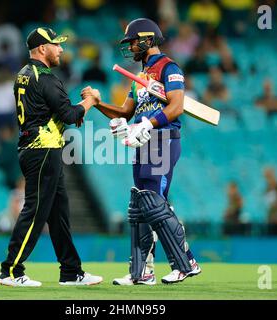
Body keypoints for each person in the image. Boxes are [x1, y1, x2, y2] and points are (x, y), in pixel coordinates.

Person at [82, 18, 201, 285]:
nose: (131, 46)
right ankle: (142, 272)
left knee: (154, 203)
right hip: (143, 141)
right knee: (142, 206)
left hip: (163, 140)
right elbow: (126, 111)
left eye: (134, 41)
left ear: (148, 40)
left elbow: (176, 107)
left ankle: (186, 262)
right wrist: (100, 104)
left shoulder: (169, 68)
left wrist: (146, 122)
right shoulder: (141, 78)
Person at [0, 27, 103, 287]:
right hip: (43, 150)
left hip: (35, 147)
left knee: (58, 214)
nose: (61, 49)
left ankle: (71, 271)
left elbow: (51, 111)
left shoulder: (23, 75)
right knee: (36, 211)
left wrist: (71, 112)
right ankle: (11, 270)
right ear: (42, 48)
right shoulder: (46, 77)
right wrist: (91, 101)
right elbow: (69, 114)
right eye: (56, 45)